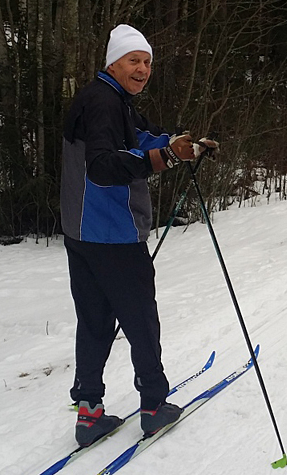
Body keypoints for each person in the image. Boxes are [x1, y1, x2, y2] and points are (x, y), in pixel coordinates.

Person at [60, 24, 216, 447]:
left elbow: (139, 138)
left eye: (147, 61)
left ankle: (89, 413)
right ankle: (153, 405)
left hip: (81, 233)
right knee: (140, 319)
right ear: (113, 61)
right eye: (134, 60)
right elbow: (103, 166)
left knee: (94, 321)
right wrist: (161, 157)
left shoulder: (110, 99)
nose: (143, 69)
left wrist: (180, 145)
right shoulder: (106, 103)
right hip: (111, 233)